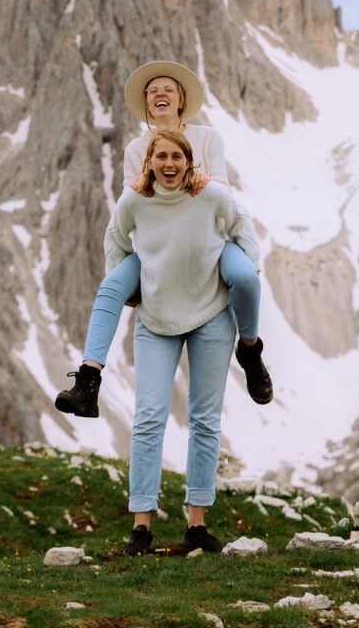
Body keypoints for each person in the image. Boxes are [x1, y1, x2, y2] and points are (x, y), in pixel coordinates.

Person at [55, 61, 272, 418]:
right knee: (110, 286)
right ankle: (88, 381)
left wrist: (196, 177)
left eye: (168, 89)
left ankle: (250, 350)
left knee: (246, 277)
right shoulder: (134, 150)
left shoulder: (207, 139)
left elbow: (224, 197)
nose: (160, 94)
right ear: (146, 103)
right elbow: (133, 209)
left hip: (210, 241)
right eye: (152, 90)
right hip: (157, 244)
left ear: (181, 100)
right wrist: (128, 281)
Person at [105, 130, 260, 555]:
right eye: (161, 157)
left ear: (189, 162)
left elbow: (243, 227)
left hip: (211, 313)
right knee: (149, 418)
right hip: (155, 318)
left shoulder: (211, 195)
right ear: (149, 162)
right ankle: (141, 526)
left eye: (176, 156)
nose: (168, 163)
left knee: (205, 420)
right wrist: (129, 284)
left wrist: (252, 269)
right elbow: (115, 240)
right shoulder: (135, 200)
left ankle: (196, 524)